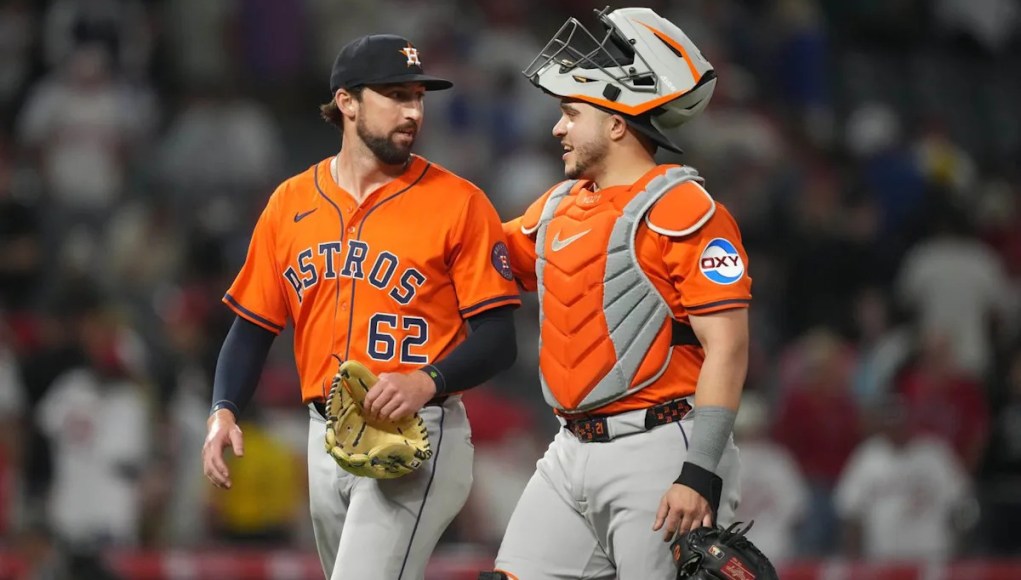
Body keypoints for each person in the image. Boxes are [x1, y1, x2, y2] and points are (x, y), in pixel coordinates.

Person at [201, 33, 521, 580]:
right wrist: (223, 409)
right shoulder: (290, 203)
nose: (413, 111)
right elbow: (253, 327)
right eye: (395, 95)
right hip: (324, 435)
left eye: (418, 97)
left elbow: (498, 341)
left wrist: (427, 380)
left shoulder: (459, 203)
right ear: (346, 101)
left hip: (419, 431)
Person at [479, 7, 751, 579]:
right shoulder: (556, 205)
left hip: (662, 444)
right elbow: (477, 260)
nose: (558, 128)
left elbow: (726, 346)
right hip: (569, 447)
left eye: (571, 113)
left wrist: (699, 471)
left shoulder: (684, 209)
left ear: (617, 123)